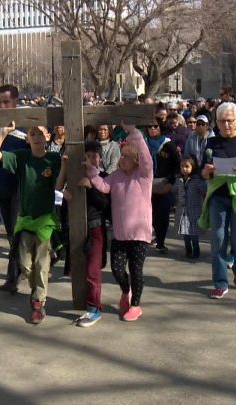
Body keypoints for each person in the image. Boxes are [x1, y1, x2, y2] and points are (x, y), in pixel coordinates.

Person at [0, 124, 67, 325]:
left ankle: (38, 302)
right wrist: (4, 133)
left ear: (48, 136)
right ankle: (37, 290)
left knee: (41, 264)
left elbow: (59, 185)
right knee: (24, 266)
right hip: (25, 220)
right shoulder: (21, 156)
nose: (37, 137)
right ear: (28, 139)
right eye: (33, 134)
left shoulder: (54, 159)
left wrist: (65, 167)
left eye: (41, 133)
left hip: (46, 220)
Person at [86, 125, 153, 322]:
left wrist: (134, 133)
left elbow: (147, 158)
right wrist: (90, 169)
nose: (121, 159)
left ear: (136, 160)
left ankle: (135, 305)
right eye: (121, 156)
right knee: (116, 269)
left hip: (140, 235)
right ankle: (126, 291)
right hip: (120, 235)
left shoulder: (144, 176)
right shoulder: (115, 177)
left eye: (126, 156)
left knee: (136, 271)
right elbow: (102, 186)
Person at [198, 102, 236, 299]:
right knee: (217, 239)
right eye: (222, 121)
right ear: (216, 122)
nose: (226, 125)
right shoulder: (211, 143)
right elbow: (202, 172)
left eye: (230, 121)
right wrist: (207, 171)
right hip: (218, 196)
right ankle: (220, 282)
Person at [0, 84, 29, 293]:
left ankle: (14, 276)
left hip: (20, 186)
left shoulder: (25, 124)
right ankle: (17, 272)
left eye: (6, 102)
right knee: (12, 232)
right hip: (1, 185)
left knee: (18, 233)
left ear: (15, 102)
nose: (2, 105)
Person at [74, 141, 110, 327]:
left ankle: (94, 309)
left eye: (95, 155)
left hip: (96, 227)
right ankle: (88, 302)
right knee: (78, 269)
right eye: (88, 155)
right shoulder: (75, 175)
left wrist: (91, 187)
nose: (91, 159)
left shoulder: (105, 177)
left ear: (101, 158)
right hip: (76, 227)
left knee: (93, 271)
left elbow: (105, 205)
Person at [146, 118, 181, 254]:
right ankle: (154, 235)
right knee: (152, 214)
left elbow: (177, 164)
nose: (153, 129)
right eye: (150, 126)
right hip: (148, 184)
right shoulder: (144, 144)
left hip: (165, 183)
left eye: (155, 126)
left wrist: (171, 180)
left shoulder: (168, 144)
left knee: (163, 214)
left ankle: (161, 241)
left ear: (160, 128)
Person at [175, 156, 206, 259]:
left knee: (193, 233)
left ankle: (196, 250)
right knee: (185, 233)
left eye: (187, 166)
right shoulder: (179, 179)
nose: (184, 169)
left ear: (193, 167)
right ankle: (188, 250)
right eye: (182, 166)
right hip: (182, 211)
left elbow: (204, 190)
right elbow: (175, 192)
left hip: (194, 210)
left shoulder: (197, 180)